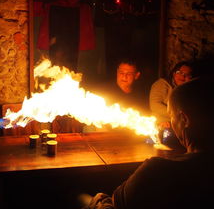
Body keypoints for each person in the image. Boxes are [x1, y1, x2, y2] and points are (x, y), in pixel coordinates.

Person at [81, 76, 214, 209]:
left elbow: (117, 202)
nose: (171, 122)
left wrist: (100, 199)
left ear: (184, 119)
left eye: (172, 116)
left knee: (80, 196)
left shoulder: (157, 170)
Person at [149, 61, 193, 146]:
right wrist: (175, 116)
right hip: (162, 122)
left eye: (187, 75)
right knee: (168, 138)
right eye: (180, 73)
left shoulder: (189, 89)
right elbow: (155, 105)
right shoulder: (161, 85)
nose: (183, 76)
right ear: (173, 73)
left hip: (182, 125)